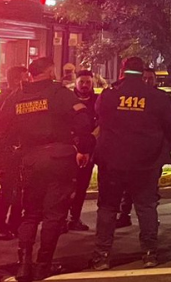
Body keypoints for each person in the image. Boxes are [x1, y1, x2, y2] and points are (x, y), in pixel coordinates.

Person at [0, 57, 94, 282]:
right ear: (50, 71)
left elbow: (2, 130)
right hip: (59, 158)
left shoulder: (17, 96)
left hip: (29, 160)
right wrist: (84, 148)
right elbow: (83, 122)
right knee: (53, 215)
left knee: (30, 214)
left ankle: (23, 265)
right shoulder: (59, 93)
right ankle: (43, 265)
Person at [90, 57, 171, 271]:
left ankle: (102, 255)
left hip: (112, 162)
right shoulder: (158, 97)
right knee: (146, 207)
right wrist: (164, 149)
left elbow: (100, 118)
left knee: (108, 208)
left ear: (123, 70)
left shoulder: (109, 96)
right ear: (143, 72)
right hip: (145, 162)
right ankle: (149, 253)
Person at [0, 65, 28, 242]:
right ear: (16, 80)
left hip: (23, 151)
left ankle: (15, 224)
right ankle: (0, 225)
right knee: (7, 191)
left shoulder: (27, 98)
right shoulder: (2, 100)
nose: (29, 80)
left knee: (21, 191)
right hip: (7, 151)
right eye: (25, 77)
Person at [66, 70, 99, 232]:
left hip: (89, 150)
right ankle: (61, 219)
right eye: (82, 82)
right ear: (76, 82)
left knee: (81, 186)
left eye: (88, 82)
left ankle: (75, 218)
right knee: (65, 186)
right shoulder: (67, 99)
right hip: (69, 149)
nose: (85, 85)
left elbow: (102, 122)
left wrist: (91, 139)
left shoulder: (97, 101)